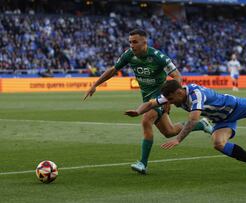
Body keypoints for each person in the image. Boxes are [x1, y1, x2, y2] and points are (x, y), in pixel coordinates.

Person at [125, 70, 246, 180]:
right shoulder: (172, 94)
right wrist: (138, 111)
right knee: (218, 143)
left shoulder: (195, 94)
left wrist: (178, 138)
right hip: (221, 120)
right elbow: (151, 102)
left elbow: (194, 119)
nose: (169, 102)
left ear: (179, 93)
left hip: (234, 107)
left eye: (170, 99)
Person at [84, 29, 213, 174]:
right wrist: (95, 84)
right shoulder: (128, 55)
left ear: (144, 42)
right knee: (169, 132)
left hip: (159, 97)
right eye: (130, 42)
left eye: (135, 42)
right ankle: (201, 124)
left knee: (146, 120)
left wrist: (168, 100)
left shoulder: (158, 57)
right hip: (147, 98)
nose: (132, 45)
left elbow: (177, 77)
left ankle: (143, 163)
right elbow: (114, 69)